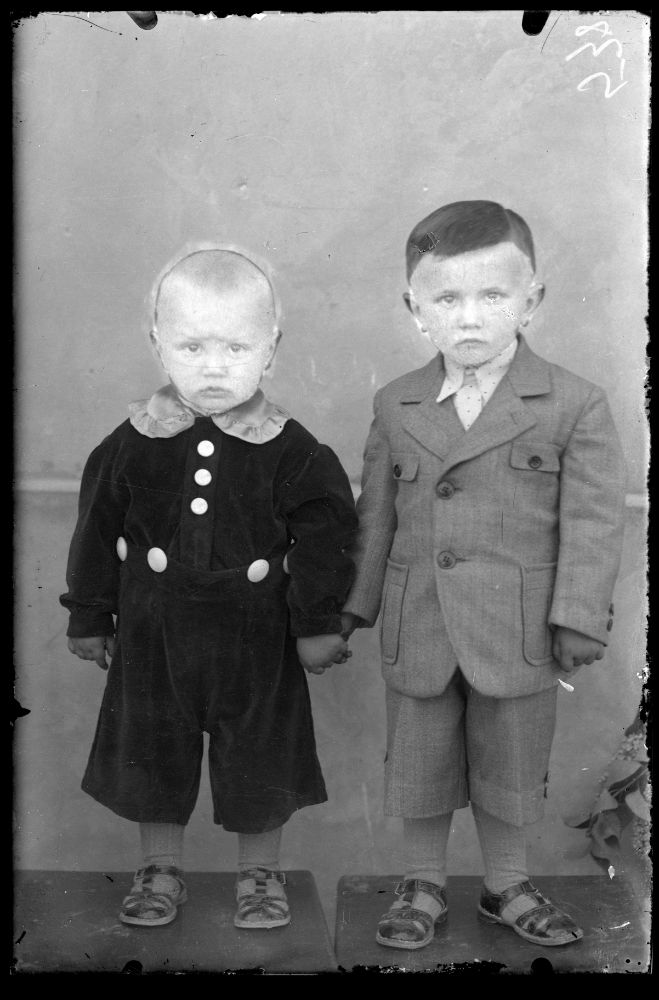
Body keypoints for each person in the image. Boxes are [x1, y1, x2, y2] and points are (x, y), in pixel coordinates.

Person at [341, 201, 626, 949]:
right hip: (419, 619)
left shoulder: (572, 404)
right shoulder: (396, 403)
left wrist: (577, 616)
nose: (468, 317)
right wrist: (350, 609)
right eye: (446, 299)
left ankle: (507, 884)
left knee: (510, 763)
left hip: (520, 627)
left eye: (492, 295)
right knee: (419, 762)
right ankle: (421, 883)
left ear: (532, 300)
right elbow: (375, 516)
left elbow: (594, 521)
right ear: (414, 309)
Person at [61, 246, 357, 930]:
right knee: (153, 747)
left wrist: (316, 624)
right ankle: (160, 868)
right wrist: (89, 616)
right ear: (157, 344)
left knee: (260, 752)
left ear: (271, 348)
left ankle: (260, 874)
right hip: (153, 632)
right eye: (192, 346)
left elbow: (326, 538)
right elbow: (95, 530)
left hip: (255, 636)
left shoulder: (293, 450)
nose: (214, 365)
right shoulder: (129, 444)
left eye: (236, 347)